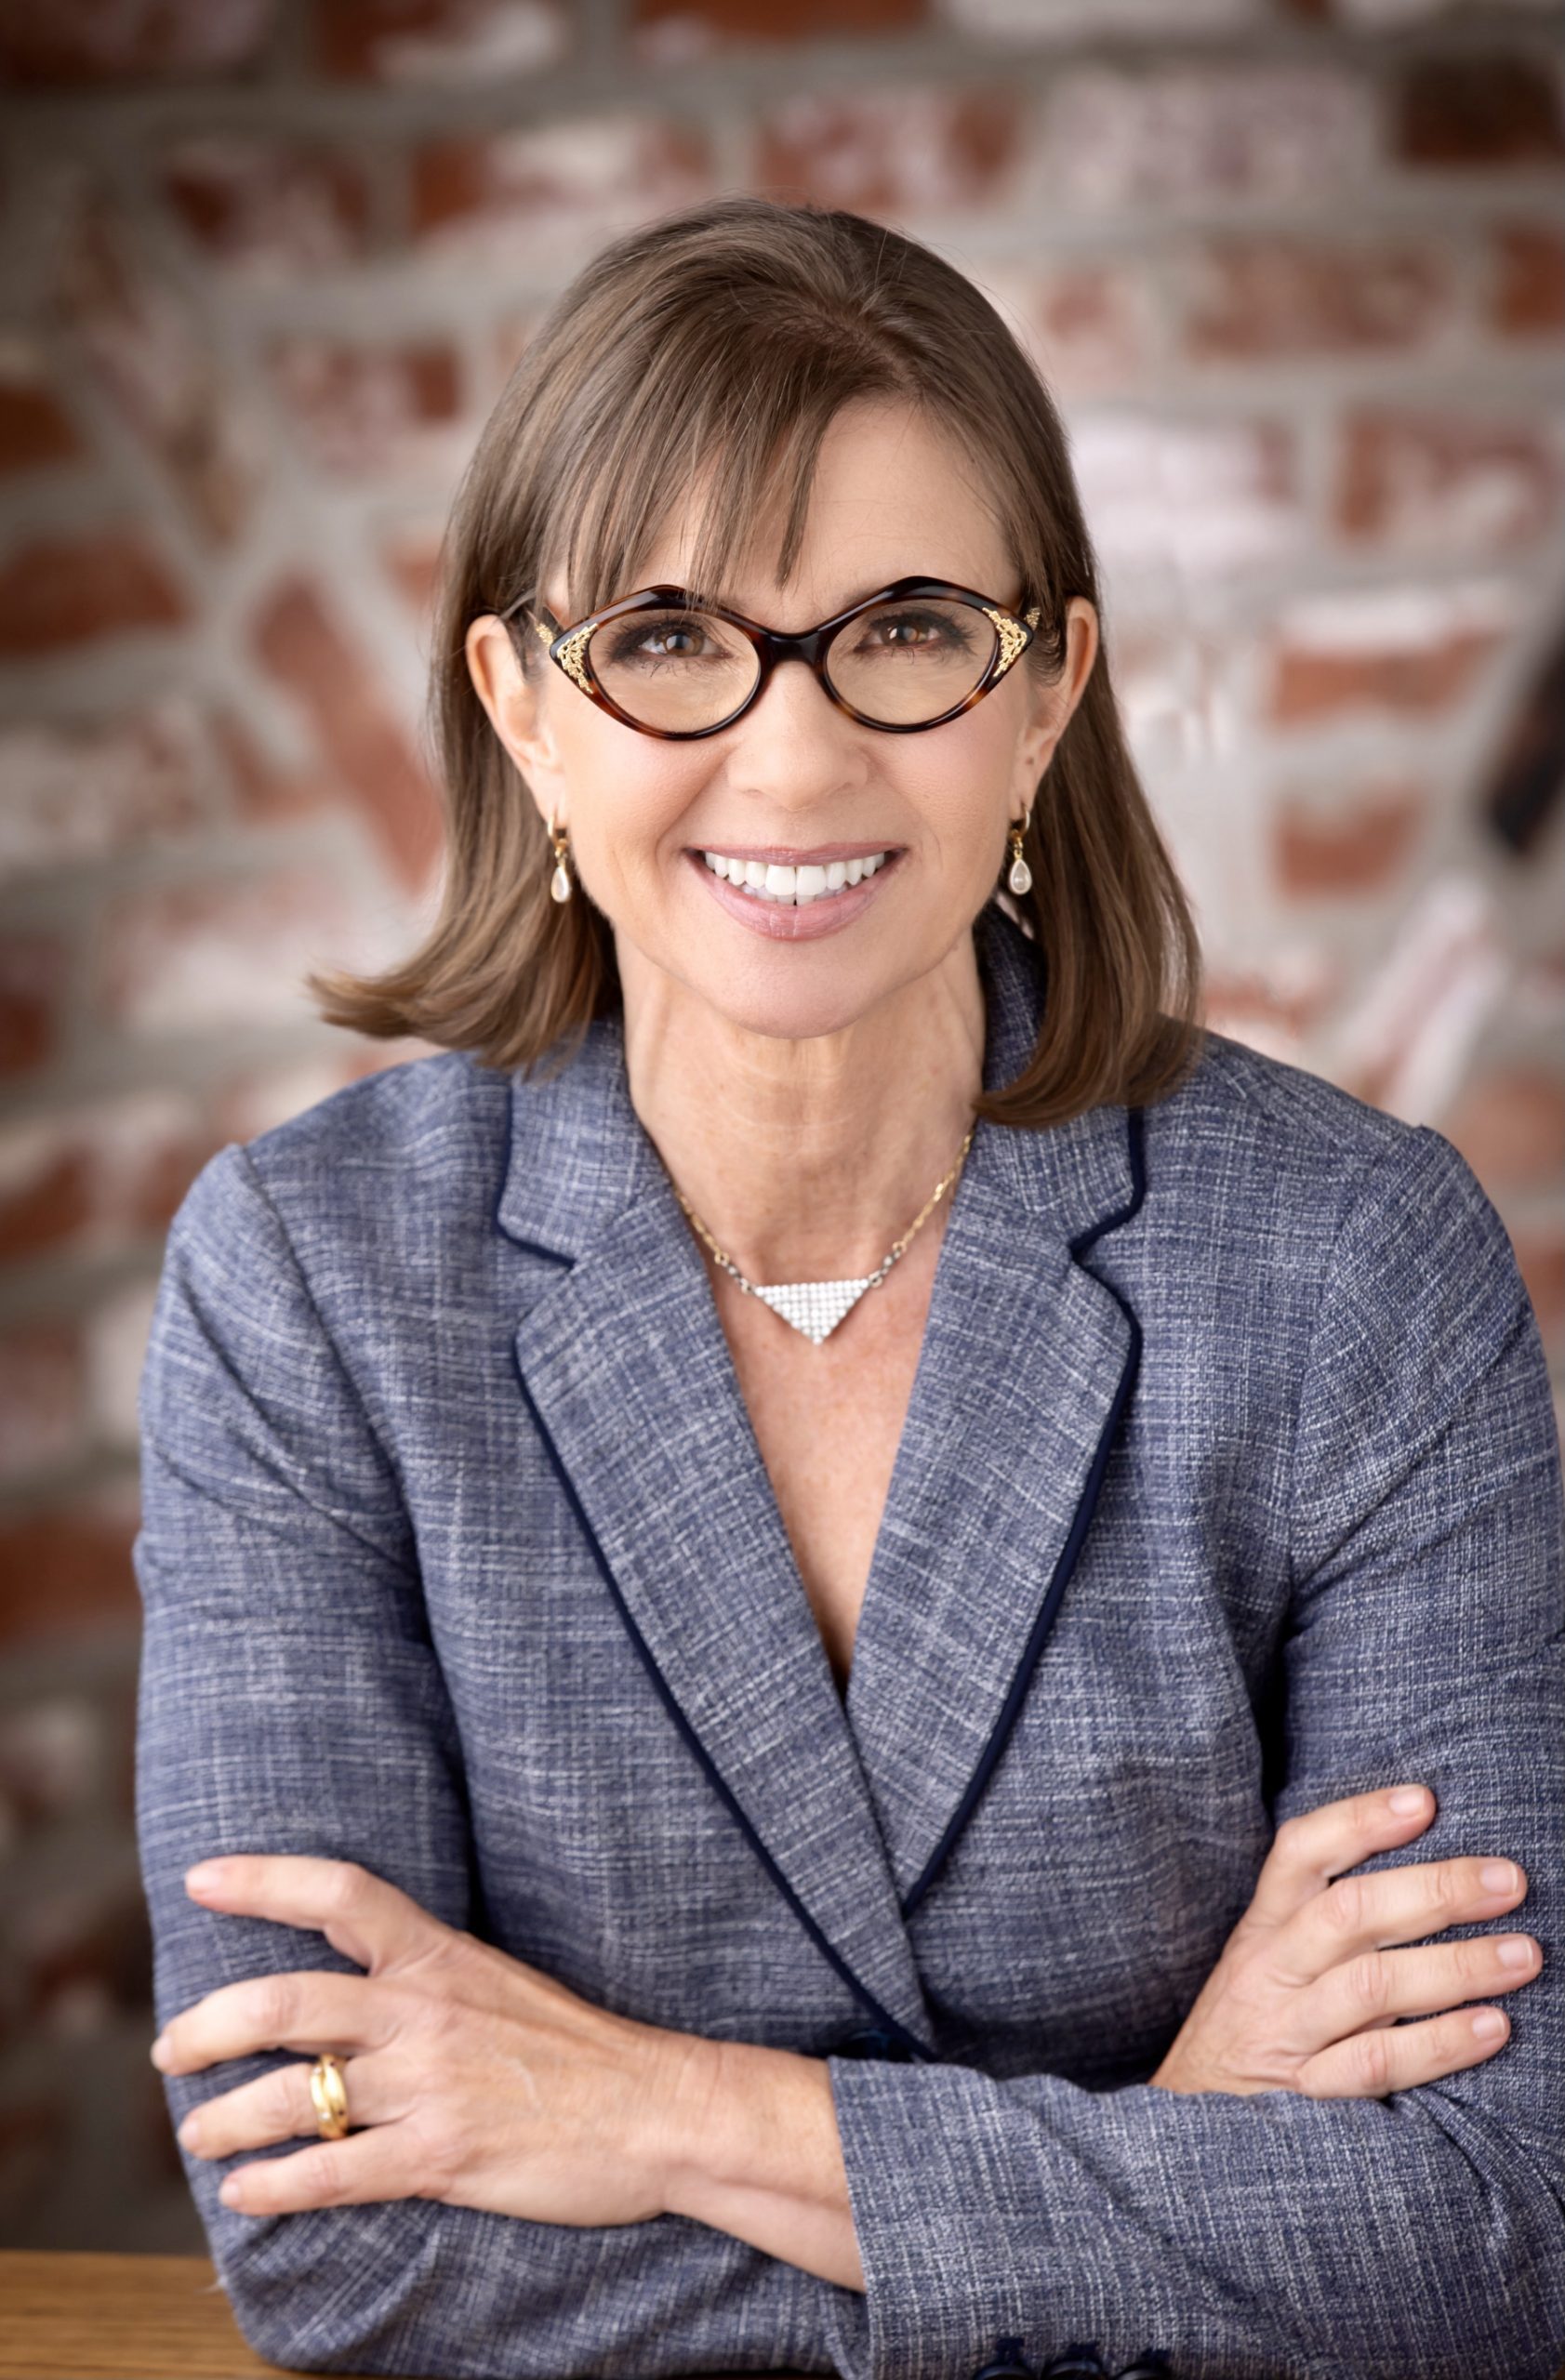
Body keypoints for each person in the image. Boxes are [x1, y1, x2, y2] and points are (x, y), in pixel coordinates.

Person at [133, 195, 1565, 2380]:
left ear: (1043, 696)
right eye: (668, 637)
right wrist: (1175, 2157)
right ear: (520, 706)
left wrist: (646, 2109)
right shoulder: (308, 1287)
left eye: (902, 630)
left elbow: (1491, 2229)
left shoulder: (1352, 1265)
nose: (791, 757)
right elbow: (334, 2239)